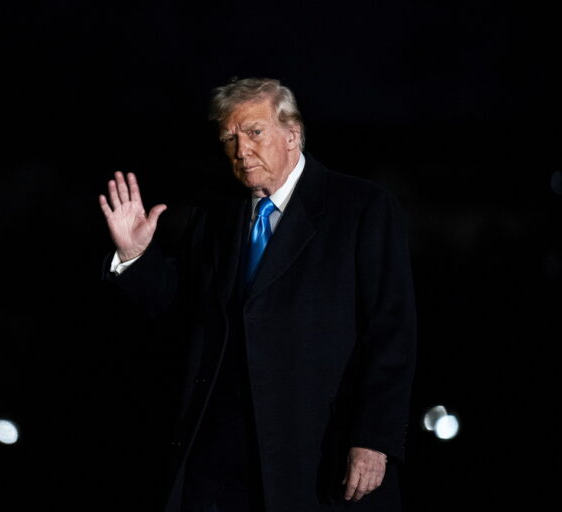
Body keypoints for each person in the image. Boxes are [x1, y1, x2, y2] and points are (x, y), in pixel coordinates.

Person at [99, 78, 417, 512]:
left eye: (254, 132)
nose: (241, 150)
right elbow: (183, 315)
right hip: (221, 466)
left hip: (317, 460)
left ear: (292, 134)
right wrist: (136, 257)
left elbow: (391, 332)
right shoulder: (215, 218)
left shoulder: (361, 209)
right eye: (229, 137)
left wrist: (374, 439)